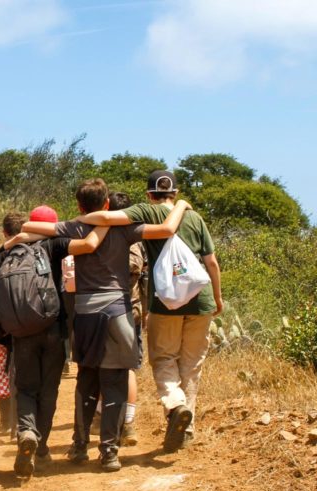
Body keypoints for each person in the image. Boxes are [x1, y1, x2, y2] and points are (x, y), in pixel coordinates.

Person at [22, 178, 190, 471]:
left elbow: (29, 227)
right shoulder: (126, 229)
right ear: (108, 205)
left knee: (86, 380)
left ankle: (79, 446)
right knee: (114, 384)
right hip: (117, 311)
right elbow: (167, 229)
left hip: (85, 314)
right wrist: (182, 205)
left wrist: (77, 221)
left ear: (79, 205)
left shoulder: (73, 227)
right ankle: (109, 452)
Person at [71, 170, 223, 453]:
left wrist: (79, 219)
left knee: (164, 358)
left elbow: (107, 218)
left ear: (149, 195)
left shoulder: (145, 212)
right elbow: (211, 262)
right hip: (200, 300)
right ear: (175, 193)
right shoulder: (195, 217)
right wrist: (217, 297)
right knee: (192, 366)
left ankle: (175, 405)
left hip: (166, 300)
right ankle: (186, 428)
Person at [0, 210, 107, 479]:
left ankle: (26, 431)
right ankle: (40, 449)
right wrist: (105, 219)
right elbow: (88, 244)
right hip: (53, 326)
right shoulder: (55, 243)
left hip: (21, 332)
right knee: (48, 389)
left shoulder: (11, 249)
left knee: (26, 388)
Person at [106, 191, 146, 446]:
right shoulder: (137, 238)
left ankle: (113, 421)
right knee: (128, 367)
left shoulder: (104, 235)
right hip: (132, 309)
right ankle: (128, 424)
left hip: (110, 310)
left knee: (108, 366)